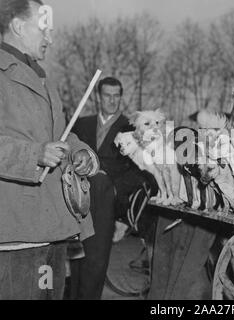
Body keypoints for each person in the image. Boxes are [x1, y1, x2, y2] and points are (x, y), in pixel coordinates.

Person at [0, 0, 99, 300]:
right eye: (44, 29)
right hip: (16, 235)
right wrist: (34, 155)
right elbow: (39, 147)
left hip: (53, 231)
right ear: (18, 26)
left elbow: (61, 136)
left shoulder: (43, 78)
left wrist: (81, 155)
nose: (51, 38)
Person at [70, 77, 155, 299]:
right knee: (73, 260)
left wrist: (121, 213)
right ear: (98, 97)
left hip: (108, 205)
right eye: (107, 95)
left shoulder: (130, 128)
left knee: (96, 263)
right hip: (77, 203)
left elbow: (139, 173)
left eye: (116, 95)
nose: (112, 100)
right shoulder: (81, 124)